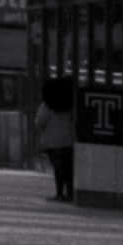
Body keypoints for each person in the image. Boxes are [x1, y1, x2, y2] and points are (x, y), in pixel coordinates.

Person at [34, 72, 78, 204]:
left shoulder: (47, 105)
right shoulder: (71, 105)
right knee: (69, 169)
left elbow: (39, 122)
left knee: (58, 169)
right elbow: (75, 121)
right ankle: (70, 193)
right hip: (68, 141)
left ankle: (59, 193)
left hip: (52, 143)